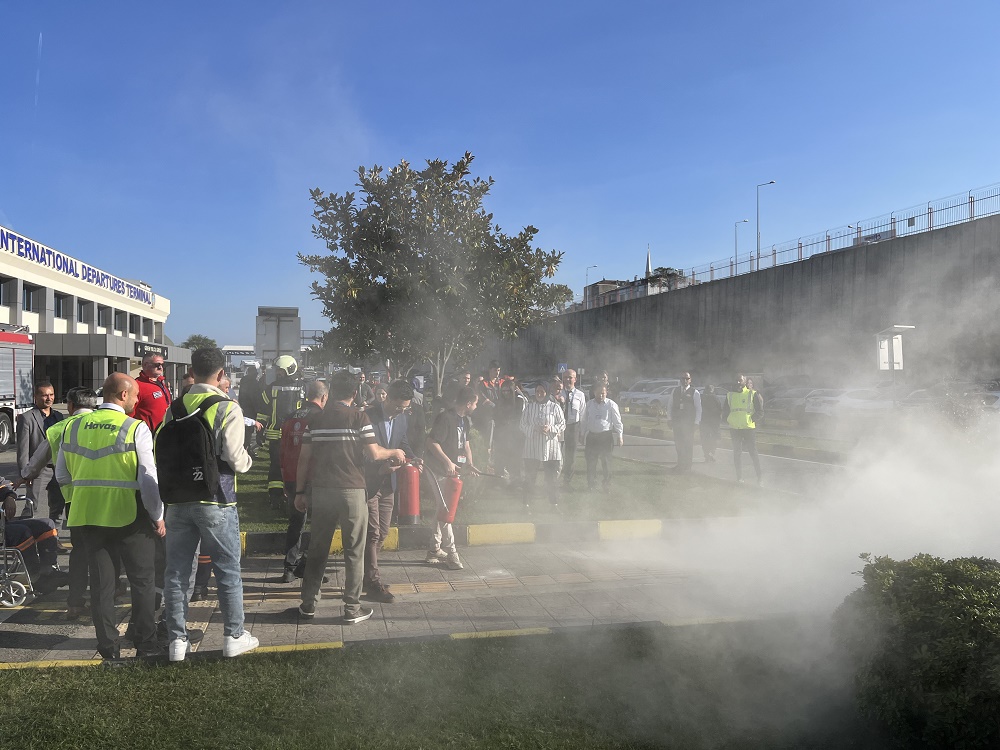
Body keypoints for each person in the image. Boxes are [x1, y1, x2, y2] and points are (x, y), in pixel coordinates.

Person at [56, 373, 165, 660]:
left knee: (102, 584)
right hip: (129, 515)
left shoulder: (73, 426)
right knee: (142, 580)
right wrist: (158, 515)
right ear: (124, 395)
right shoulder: (135, 428)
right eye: (136, 396)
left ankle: (108, 647)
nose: (137, 401)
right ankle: (145, 643)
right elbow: (147, 478)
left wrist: (83, 491)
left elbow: (62, 475)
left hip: (88, 516)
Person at [160, 348, 257, 661]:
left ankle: (177, 641)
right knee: (227, 571)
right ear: (221, 373)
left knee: (176, 573)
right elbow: (233, 455)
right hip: (217, 499)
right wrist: (248, 461)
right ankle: (234, 635)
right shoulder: (227, 406)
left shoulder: (174, 407)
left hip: (177, 499)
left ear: (192, 369)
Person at [293, 370, 405, 623]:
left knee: (318, 549)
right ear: (355, 394)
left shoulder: (316, 419)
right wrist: (394, 452)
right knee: (354, 551)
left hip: (322, 491)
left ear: (331, 391)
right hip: (352, 491)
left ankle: (308, 605)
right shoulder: (359, 416)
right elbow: (374, 453)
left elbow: (304, 459)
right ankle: (351, 609)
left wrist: (300, 492)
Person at [18, 386, 99, 616]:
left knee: (81, 550)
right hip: (111, 499)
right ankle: (106, 598)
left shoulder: (60, 428)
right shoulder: (113, 423)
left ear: (70, 406)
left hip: (76, 500)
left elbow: (37, 460)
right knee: (105, 550)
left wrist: (23, 477)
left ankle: (75, 602)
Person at [363, 379, 417, 602]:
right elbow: (362, 450)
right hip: (369, 481)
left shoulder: (402, 418)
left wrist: (413, 457)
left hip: (389, 484)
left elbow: (402, 442)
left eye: (405, 408)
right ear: (388, 398)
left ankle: (367, 575)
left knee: (383, 532)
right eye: (398, 407)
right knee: (372, 533)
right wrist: (381, 467)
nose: (400, 411)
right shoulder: (368, 416)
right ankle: (373, 582)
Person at [425, 386, 481, 569]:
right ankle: (452, 553)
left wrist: (469, 463)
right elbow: (432, 442)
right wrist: (448, 462)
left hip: (452, 470)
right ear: (468, 403)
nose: (476, 406)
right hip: (436, 469)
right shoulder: (445, 417)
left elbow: (465, 444)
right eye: (475, 403)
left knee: (443, 509)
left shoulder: (464, 420)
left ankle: (434, 550)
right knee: (446, 508)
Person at [280, 379, 329, 583]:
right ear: (324, 397)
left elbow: (282, 450)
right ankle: (309, 567)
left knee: (295, 523)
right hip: (313, 478)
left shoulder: (291, 416)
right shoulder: (322, 417)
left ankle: (289, 569)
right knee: (319, 525)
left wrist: (284, 478)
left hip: (291, 477)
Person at [257, 355, 304, 509]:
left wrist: (261, 427)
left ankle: (283, 495)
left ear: (290, 369)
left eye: (281, 371)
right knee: (280, 466)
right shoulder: (302, 387)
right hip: (291, 435)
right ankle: (277, 497)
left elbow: (263, 410)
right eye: (278, 370)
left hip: (283, 434)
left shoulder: (272, 387)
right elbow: (264, 411)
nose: (278, 373)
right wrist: (259, 428)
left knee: (279, 466)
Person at [1, 482, 66, 589]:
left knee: (46, 525)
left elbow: (4, 485)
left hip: (3, 525)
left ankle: (48, 571)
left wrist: (9, 496)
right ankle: (36, 578)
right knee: (22, 532)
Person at [16, 382, 65, 521]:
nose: (49, 398)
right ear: (35, 397)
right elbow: (23, 450)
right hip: (38, 470)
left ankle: (53, 539)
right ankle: (26, 538)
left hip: (57, 468)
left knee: (57, 507)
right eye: (44, 395)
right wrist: (25, 474)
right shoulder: (27, 418)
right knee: (32, 507)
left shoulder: (59, 417)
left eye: (51, 395)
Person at [520, 382, 565, 510]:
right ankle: (526, 504)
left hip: (550, 447)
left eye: (542, 392)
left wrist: (550, 428)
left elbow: (562, 424)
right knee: (529, 477)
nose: (539, 394)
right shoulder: (529, 407)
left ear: (547, 392)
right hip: (532, 447)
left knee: (551, 478)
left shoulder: (554, 407)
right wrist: (534, 428)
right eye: (537, 391)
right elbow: (522, 424)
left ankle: (554, 504)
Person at [723, 374, 764, 485]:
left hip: (748, 428)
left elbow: (760, 411)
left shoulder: (752, 394)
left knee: (753, 452)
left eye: (740, 380)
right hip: (735, 429)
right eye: (736, 380)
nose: (738, 383)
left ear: (745, 382)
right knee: (737, 453)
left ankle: (759, 477)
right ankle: (739, 478)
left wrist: (751, 419)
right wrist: (728, 419)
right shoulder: (729, 395)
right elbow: (725, 411)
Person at [581, 385, 623, 490]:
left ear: (606, 393)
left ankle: (606, 484)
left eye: (603, 393)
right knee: (591, 461)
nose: (600, 395)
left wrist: (620, 435)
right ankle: (591, 484)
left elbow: (617, 422)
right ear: (594, 392)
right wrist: (582, 434)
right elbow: (584, 421)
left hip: (606, 437)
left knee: (606, 462)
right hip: (592, 437)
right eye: (598, 393)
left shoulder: (611, 405)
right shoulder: (589, 405)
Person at [555, 369, 586, 486]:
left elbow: (583, 415)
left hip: (573, 427)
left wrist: (582, 433)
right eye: (565, 377)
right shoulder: (558, 393)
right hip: (560, 427)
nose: (568, 379)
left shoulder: (580, 395)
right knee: (556, 454)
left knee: (571, 455)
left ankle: (567, 481)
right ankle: (554, 479)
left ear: (575, 379)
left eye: (570, 377)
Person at [493, 378, 526, 484]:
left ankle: (516, 480)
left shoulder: (519, 400)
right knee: (501, 457)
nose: (506, 393)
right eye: (504, 391)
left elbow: (520, 416)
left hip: (515, 434)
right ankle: (501, 480)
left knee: (515, 458)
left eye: (508, 391)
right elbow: (496, 416)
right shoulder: (499, 402)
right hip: (501, 434)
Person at [130, 352, 172, 433]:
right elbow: (129, 413)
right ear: (145, 365)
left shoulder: (162, 383)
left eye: (163, 364)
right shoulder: (137, 385)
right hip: (147, 435)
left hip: (165, 433)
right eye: (157, 364)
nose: (160, 367)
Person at [670, 373, 702, 473]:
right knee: (678, 444)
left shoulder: (694, 392)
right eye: (683, 378)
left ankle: (687, 466)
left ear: (690, 380)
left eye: (687, 378)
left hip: (689, 424)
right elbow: (670, 405)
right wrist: (669, 419)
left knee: (688, 444)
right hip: (677, 423)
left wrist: (697, 422)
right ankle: (680, 464)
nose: (684, 380)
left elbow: (698, 409)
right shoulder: (675, 391)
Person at [238, 364, 264, 455]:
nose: (256, 374)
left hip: (243, 407)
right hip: (250, 408)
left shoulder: (243, 380)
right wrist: (258, 408)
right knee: (248, 430)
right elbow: (254, 397)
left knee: (246, 429)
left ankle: (246, 447)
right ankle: (246, 448)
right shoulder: (253, 382)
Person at [700, 385, 723, 462]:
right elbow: (720, 410)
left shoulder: (702, 398)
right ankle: (710, 453)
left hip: (706, 421)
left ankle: (708, 454)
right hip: (712, 421)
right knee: (714, 437)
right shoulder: (715, 398)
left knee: (705, 438)